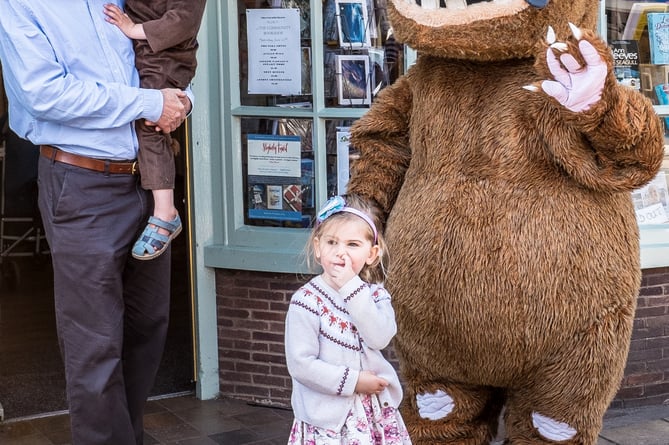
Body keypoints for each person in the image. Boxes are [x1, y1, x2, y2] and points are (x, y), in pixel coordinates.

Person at [0, 1, 191, 444]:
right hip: (80, 182)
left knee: (148, 325)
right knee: (95, 340)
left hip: (146, 178)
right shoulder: (20, 4)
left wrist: (179, 99)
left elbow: (167, 57)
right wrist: (150, 102)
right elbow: (44, 93)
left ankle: (127, 436)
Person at [284, 195, 412, 444]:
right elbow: (301, 364)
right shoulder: (306, 301)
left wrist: (351, 289)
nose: (340, 252)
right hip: (326, 422)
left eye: (353, 244)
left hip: (372, 414)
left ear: (372, 253)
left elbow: (380, 337)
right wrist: (354, 381)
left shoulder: (375, 296)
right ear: (318, 248)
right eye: (332, 242)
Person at [103, 0, 206, 260]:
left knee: (150, 123)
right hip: (147, 57)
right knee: (151, 122)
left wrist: (133, 29)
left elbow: (183, 22)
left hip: (166, 60)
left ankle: (166, 213)